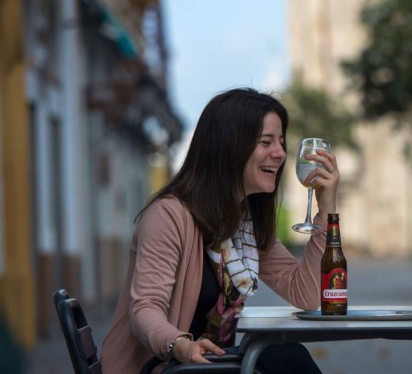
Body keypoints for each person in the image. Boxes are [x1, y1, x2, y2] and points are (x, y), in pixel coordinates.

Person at [100, 88, 339, 374]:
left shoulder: (245, 225)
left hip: (211, 366)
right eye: (266, 142)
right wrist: (180, 344)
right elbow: (145, 309)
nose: (279, 153)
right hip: (164, 366)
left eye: (281, 142)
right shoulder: (168, 215)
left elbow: (308, 294)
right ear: (228, 146)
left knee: (289, 357)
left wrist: (326, 213)